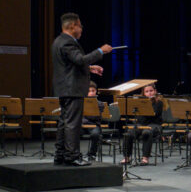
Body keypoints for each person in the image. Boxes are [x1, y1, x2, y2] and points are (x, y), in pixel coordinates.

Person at [52, 12, 112, 166]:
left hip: (65, 88)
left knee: (64, 122)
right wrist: (100, 51)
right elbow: (79, 59)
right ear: (72, 26)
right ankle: (72, 156)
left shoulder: (59, 41)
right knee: (72, 123)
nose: (82, 29)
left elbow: (70, 64)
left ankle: (60, 154)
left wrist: (90, 68)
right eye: (80, 25)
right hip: (72, 89)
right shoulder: (68, 42)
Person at [121, 83, 163, 166]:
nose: (149, 93)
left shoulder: (159, 103)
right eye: (147, 91)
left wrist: (145, 108)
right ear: (143, 93)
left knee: (146, 132)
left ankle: (145, 158)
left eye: (151, 91)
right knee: (128, 133)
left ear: (155, 91)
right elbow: (140, 118)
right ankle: (127, 157)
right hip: (141, 124)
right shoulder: (139, 102)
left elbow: (153, 115)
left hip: (154, 125)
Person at [82, 81, 105, 161]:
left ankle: (92, 154)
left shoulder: (100, 104)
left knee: (95, 134)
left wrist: (86, 117)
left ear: (96, 91)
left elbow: (97, 117)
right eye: (89, 91)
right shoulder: (81, 102)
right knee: (73, 132)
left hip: (94, 125)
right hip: (83, 125)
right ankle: (75, 153)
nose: (91, 93)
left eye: (93, 91)